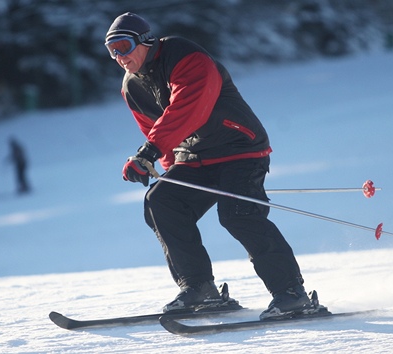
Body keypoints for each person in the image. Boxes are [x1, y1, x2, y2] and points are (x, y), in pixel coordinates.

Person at [105, 12, 318, 320]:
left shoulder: (184, 56)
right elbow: (155, 128)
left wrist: (148, 152)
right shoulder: (132, 87)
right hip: (195, 157)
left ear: (145, 41)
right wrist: (159, 165)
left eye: (123, 46)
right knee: (162, 201)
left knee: (237, 214)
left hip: (239, 147)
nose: (119, 56)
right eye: (111, 50)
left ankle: (291, 294)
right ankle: (199, 288)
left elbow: (189, 108)